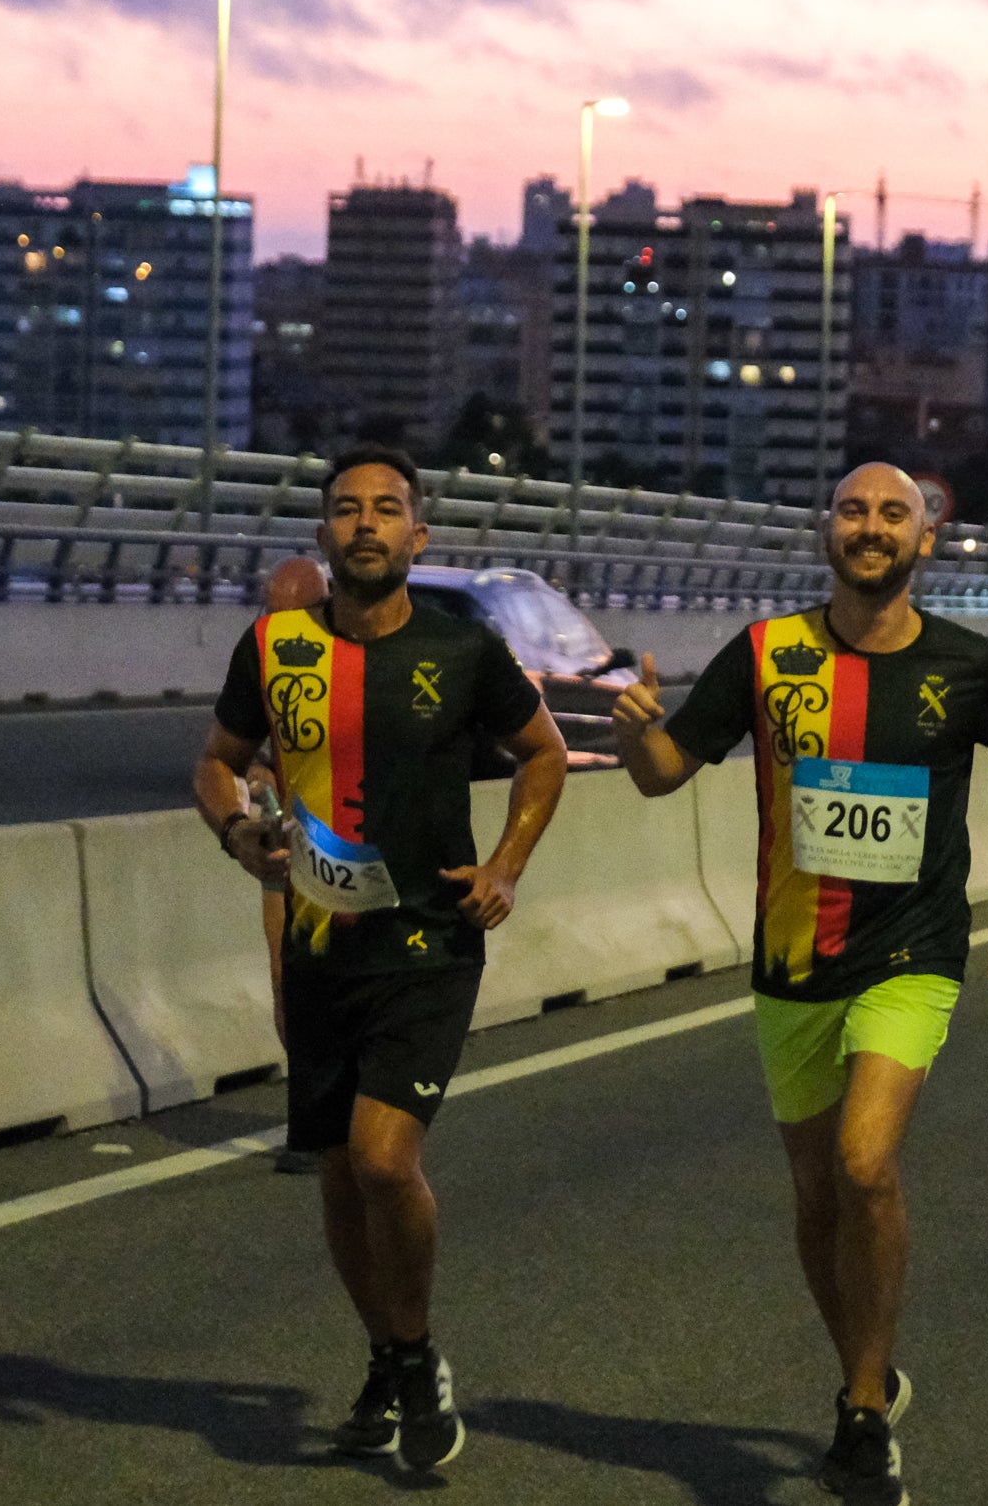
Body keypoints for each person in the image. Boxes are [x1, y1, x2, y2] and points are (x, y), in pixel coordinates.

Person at [610, 461, 988, 1506]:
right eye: (853, 511)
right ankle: (870, 1370)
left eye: (892, 514)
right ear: (828, 531)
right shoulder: (768, 654)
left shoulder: (970, 664)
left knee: (864, 1162)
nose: (870, 527)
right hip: (792, 963)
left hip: (912, 953)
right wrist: (635, 738)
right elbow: (667, 771)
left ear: (924, 539)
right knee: (817, 1196)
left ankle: (861, 1412)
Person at [194, 445, 570, 1473]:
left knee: (382, 1159)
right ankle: (391, 1354)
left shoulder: (463, 649)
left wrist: (506, 866)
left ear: (418, 534)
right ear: (324, 534)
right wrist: (237, 832)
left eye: (387, 509)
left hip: (429, 939)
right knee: (336, 1174)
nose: (366, 523)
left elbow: (543, 752)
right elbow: (218, 762)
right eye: (348, 509)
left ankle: (412, 1354)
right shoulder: (274, 646)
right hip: (320, 943)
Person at [236, 554, 333, 1177]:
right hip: (284, 839)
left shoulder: (351, 658)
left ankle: (349, 1113)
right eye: (271, 613)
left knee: (340, 979)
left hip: (346, 841)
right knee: (287, 978)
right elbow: (233, 748)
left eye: (292, 614)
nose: (279, 626)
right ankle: (312, 1120)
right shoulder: (261, 662)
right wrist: (255, 778)